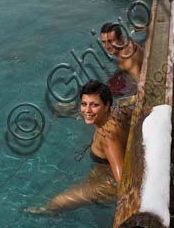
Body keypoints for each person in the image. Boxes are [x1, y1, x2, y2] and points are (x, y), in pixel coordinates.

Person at [26, 81, 130, 213]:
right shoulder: (116, 113)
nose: (87, 110)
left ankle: (47, 214)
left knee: (56, 203)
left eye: (94, 105)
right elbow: (129, 109)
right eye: (84, 104)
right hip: (103, 173)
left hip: (110, 183)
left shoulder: (108, 136)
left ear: (107, 105)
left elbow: (122, 181)